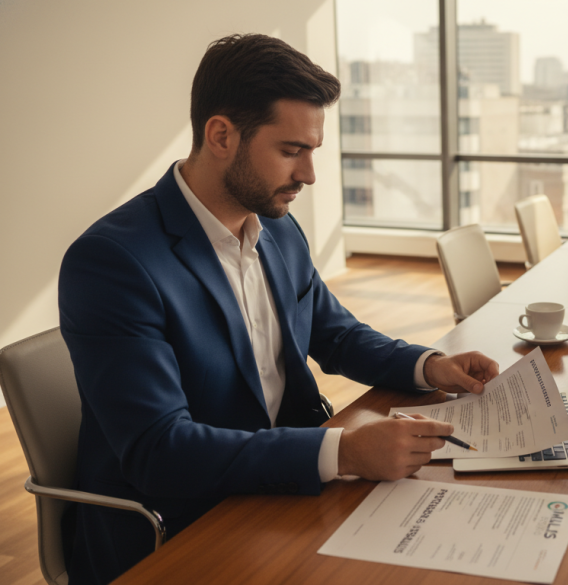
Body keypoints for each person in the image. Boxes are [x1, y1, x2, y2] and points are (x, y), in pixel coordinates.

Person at [57, 34, 499, 585]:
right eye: (292, 151)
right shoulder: (114, 262)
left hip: (279, 493)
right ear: (221, 135)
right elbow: (159, 450)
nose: (309, 175)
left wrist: (429, 366)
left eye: (312, 150)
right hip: (179, 526)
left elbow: (335, 334)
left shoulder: (277, 230)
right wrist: (345, 452)